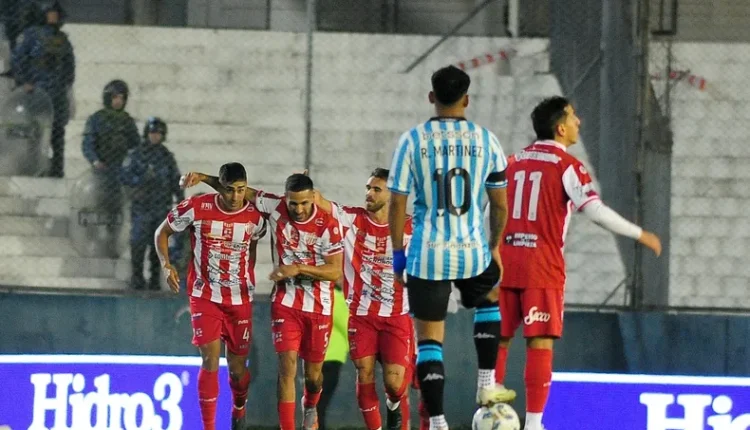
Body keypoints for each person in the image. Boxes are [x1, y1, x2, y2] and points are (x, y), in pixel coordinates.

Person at [493, 96, 662, 430]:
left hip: (504, 263)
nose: (578, 122)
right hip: (541, 268)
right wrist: (639, 233)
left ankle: (487, 412)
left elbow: (491, 208)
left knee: (498, 339)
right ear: (560, 128)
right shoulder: (567, 166)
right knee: (539, 342)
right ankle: (533, 424)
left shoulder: (511, 162)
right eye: (572, 116)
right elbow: (594, 210)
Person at [387, 65, 513, 430]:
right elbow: (500, 204)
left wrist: (398, 257)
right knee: (490, 297)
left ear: (432, 97)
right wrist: (494, 246)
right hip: (471, 248)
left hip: (427, 253)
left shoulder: (412, 141)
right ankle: (486, 382)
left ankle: (439, 422)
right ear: (467, 100)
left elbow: (397, 204)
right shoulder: (486, 140)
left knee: (430, 340)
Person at [182, 171, 344, 430]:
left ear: (313, 198)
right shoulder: (275, 206)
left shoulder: (328, 223)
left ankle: (311, 404)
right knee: (287, 367)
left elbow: (335, 271)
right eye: (293, 203)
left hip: (318, 305)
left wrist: (298, 268)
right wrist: (202, 178)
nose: (298, 209)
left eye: (304, 203)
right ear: (285, 198)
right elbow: (238, 190)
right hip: (285, 303)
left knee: (313, 377)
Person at [155, 163, 267, 430]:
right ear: (220, 187)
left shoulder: (255, 217)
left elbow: (253, 246)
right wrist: (166, 265)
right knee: (209, 359)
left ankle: (239, 406)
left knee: (238, 372)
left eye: (241, 190)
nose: (235, 196)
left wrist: (248, 278)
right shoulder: (197, 207)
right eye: (229, 189)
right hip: (205, 295)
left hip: (239, 299)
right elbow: (162, 232)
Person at [313, 167, 414, 430]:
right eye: (368, 188)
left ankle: (393, 405)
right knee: (364, 372)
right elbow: (320, 202)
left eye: (376, 189)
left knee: (394, 384)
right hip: (361, 315)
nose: (369, 193)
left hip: (396, 316)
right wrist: (307, 188)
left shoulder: (411, 226)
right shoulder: (352, 219)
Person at [11, 0, 74, 177]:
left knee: (58, 132)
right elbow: (18, 58)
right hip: (37, 91)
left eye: (56, 13)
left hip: (57, 92)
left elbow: (69, 66)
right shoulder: (31, 35)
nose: (53, 16)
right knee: (35, 130)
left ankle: (57, 167)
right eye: (50, 12)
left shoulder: (63, 40)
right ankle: (33, 166)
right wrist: (24, 81)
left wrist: (67, 86)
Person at [120, 117, 183, 290]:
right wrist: (140, 180)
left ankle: (155, 278)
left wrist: (180, 198)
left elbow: (175, 179)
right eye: (153, 133)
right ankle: (137, 277)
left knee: (158, 245)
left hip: (161, 206)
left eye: (159, 133)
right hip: (142, 206)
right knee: (138, 242)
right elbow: (124, 175)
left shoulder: (166, 156)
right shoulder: (136, 154)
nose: (155, 136)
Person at [316, 284, 348, 430]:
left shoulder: (320, 295)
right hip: (332, 356)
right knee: (321, 402)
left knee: (316, 400)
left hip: (318, 353)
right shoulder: (336, 296)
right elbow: (346, 324)